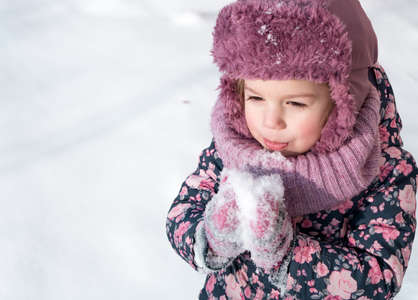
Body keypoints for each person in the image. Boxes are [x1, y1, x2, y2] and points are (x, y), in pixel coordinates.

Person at [166, 0, 417, 299]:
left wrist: (287, 254)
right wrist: (214, 238)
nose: (271, 122)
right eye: (256, 98)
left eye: (296, 103)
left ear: (344, 102)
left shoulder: (383, 170)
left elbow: (379, 277)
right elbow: (181, 213)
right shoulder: (234, 145)